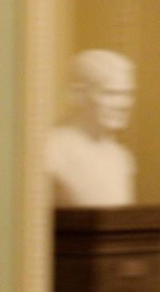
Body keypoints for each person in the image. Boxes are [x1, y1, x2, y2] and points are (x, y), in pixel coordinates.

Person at [46, 49, 138, 207]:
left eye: (127, 94)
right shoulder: (51, 149)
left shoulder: (121, 158)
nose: (123, 104)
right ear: (78, 94)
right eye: (111, 93)